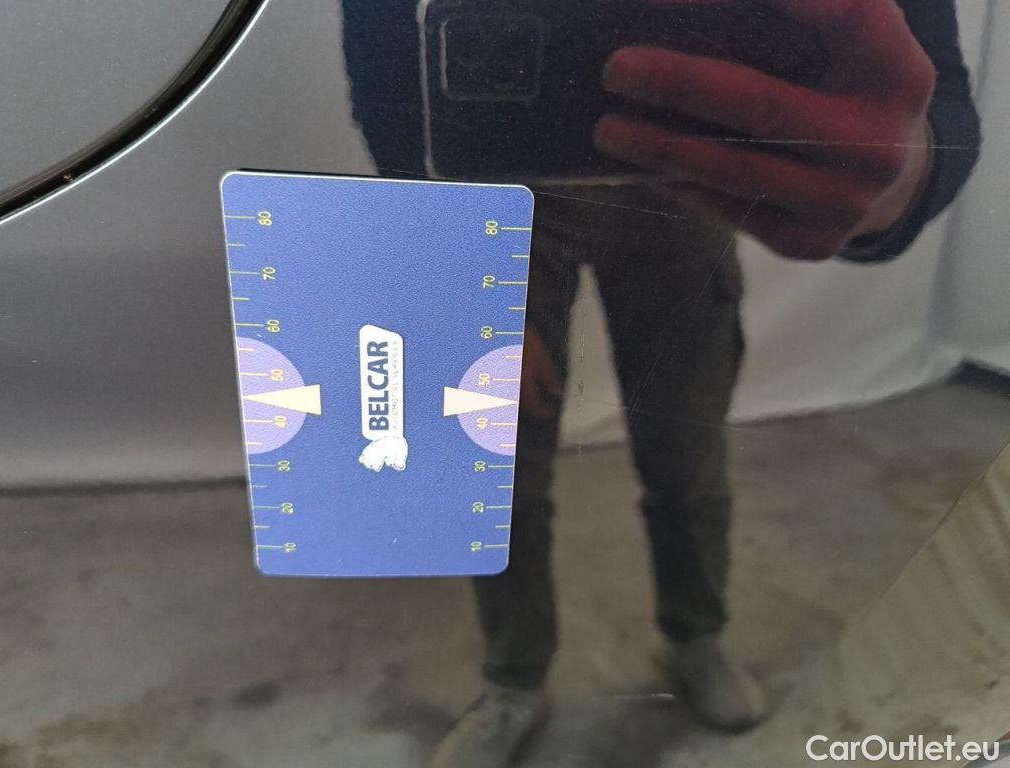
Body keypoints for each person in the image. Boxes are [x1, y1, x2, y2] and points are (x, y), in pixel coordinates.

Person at [341, 1, 981, 765]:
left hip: (674, 164)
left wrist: (902, 172)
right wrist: (443, 263)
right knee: (499, 471)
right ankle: (515, 676)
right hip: (507, 168)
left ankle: (692, 636)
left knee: (686, 451)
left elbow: (933, 79)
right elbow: (379, 44)